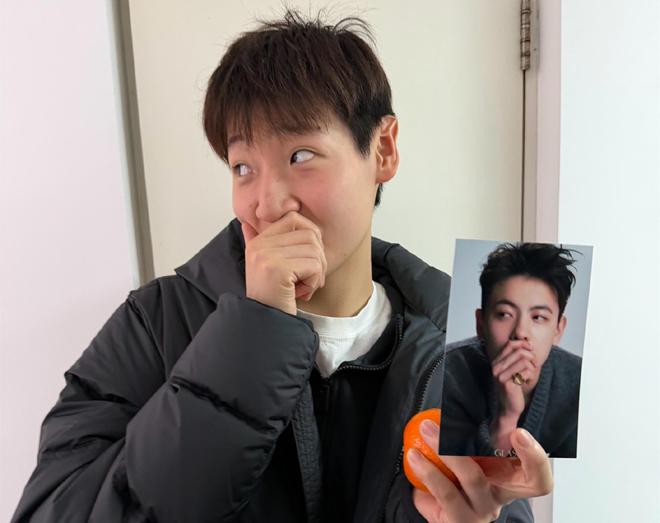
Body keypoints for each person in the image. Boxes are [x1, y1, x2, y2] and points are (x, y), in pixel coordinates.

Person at [12, 11, 552, 523]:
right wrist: (255, 336)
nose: (267, 205)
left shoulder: (469, 343)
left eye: (300, 156)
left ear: (383, 150)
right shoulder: (155, 322)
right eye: (242, 167)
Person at [439, 242, 582, 459]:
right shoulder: (447, 373)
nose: (520, 332)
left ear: (558, 330)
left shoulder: (580, 382)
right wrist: (506, 417)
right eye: (504, 314)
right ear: (481, 324)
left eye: (538, 317)